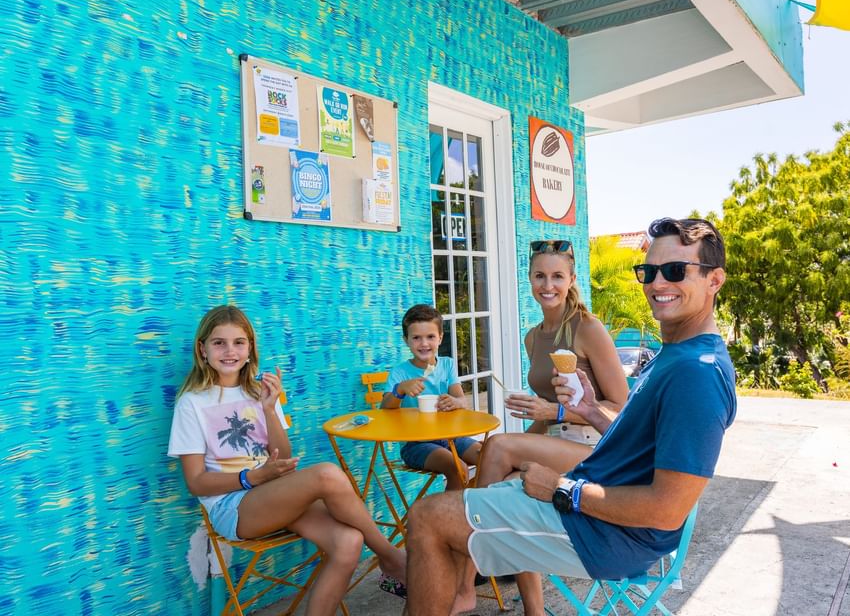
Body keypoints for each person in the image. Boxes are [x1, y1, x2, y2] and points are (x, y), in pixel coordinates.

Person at [406, 218, 737, 616]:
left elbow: (666, 509)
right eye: (649, 272)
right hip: (593, 502)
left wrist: (561, 488)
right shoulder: (674, 356)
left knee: (427, 518)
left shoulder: (696, 373)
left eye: (676, 270)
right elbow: (640, 443)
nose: (657, 283)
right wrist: (590, 411)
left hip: (605, 534)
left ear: (714, 280)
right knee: (462, 498)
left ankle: (468, 588)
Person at [168, 305, 407, 616]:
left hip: (272, 494)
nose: (229, 351)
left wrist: (269, 409)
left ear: (250, 348)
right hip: (232, 507)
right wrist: (251, 478)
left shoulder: (259, 391)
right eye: (219, 343)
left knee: (348, 541)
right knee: (326, 474)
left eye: (239, 342)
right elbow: (196, 482)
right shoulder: (192, 402)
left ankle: (386, 562)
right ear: (202, 349)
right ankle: (392, 558)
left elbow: (281, 454)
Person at [505, 239, 629, 446]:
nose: (548, 286)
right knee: (494, 448)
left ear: (571, 280)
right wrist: (516, 441)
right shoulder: (532, 338)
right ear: (530, 278)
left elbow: (621, 408)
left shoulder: (588, 328)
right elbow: (547, 417)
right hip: (557, 440)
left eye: (557, 276)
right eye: (539, 276)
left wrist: (553, 411)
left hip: (596, 442)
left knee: (499, 447)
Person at [382, 304, 482, 490]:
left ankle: (476, 503)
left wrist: (455, 402)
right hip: (416, 444)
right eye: (416, 338)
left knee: (489, 455)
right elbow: (385, 408)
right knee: (457, 468)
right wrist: (400, 390)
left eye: (430, 337)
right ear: (406, 340)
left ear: (440, 338)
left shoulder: (447, 365)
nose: (424, 343)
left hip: (452, 437)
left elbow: (462, 401)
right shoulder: (400, 373)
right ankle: (450, 509)